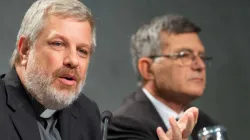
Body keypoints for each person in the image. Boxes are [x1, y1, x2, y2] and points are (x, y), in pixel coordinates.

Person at [0, 0, 101, 139]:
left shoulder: (87, 114)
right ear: (25, 50)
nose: (73, 60)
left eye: (82, 51)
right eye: (58, 44)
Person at [108, 15, 219, 140]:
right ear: (147, 68)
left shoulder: (205, 124)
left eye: (202, 56)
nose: (200, 65)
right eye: (184, 55)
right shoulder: (124, 125)